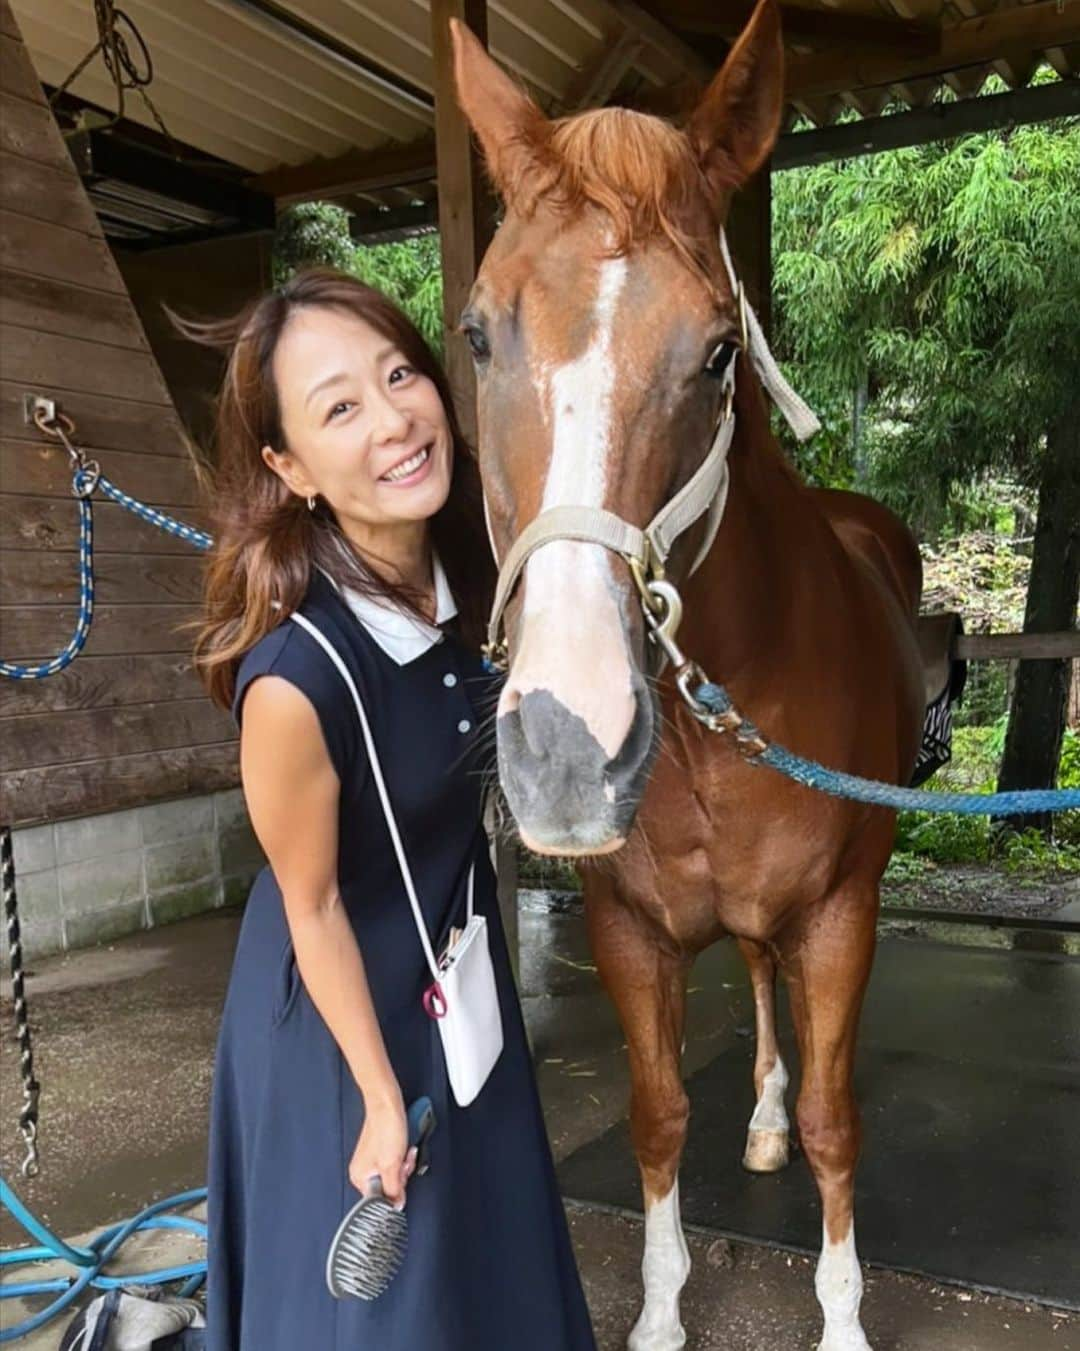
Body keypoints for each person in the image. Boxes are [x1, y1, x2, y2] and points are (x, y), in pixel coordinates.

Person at [187, 269, 596, 1349]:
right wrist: (374, 1094)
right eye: (340, 408)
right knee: (384, 1316)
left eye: (400, 373)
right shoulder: (296, 681)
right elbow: (309, 905)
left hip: (454, 988)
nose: (394, 419)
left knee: (488, 1274)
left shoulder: (468, 592)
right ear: (290, 469)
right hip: (338, 1028)